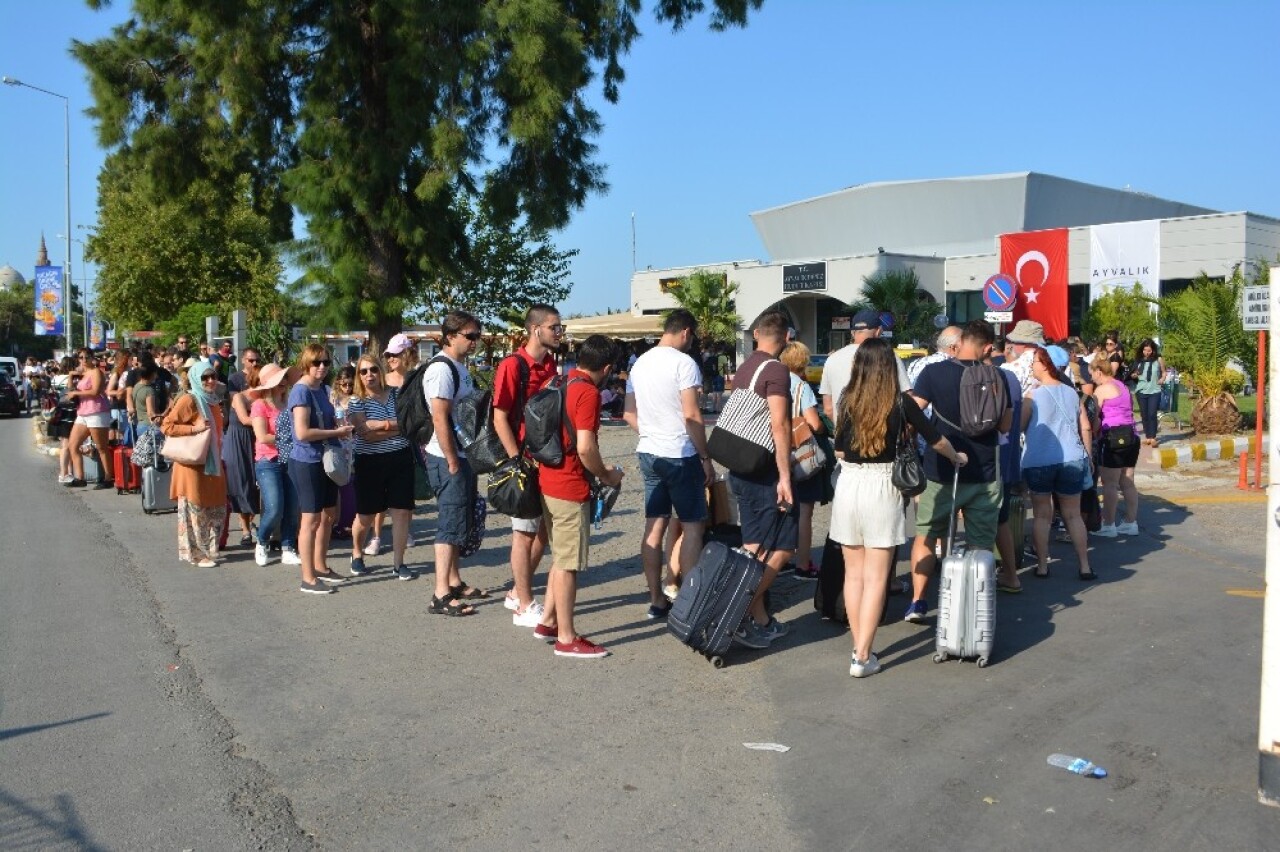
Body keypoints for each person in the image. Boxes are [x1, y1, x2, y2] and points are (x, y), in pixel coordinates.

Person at [833, 338, 964, 676]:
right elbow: (934, 437)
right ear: (890, 367)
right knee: (877, 577)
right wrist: (956, 456)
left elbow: (841, 450)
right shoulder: (901, 404)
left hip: (849, 484)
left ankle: (857, 649)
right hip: (882, 486)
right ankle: (863, 654)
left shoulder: (847, 400)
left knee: (854, 575)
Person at [906, 320, 1013, 622]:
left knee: (926, 535)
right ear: (988, 347)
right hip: (985, 473)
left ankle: (918, 601)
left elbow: (914, 411)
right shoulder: (998, 377)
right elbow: (1005, 426)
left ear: (960, 341)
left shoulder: (933, 373)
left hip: (942, 470)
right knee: (980, 543)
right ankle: (972, 605)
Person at [531, 335, 625, 658]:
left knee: (560, 556)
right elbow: (586, 447)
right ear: (608, 367)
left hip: (548, 479)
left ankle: (547, 620)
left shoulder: (560, 381)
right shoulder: (587, 392)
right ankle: (566, 638)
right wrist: (607, 474)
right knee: (569, 563)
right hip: (570, 485)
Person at [622, 309, 713, 617]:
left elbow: (628, 414)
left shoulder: (639, 364)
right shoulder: (684, 363)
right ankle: (689, 602)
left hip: (649, 451)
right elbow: (692, 414)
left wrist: (650, 432)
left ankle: (656, 599)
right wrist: (705, 457)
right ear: (686, 332)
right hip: (681, 453)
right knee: (692, 526)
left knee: (654, 526)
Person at [725, 311, 797, 649]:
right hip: (762, 472)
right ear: (786, 338)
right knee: (777, 548)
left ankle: (760, 618)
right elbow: (779, 425)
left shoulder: (747, 366)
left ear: (756, 334)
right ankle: (736, 610)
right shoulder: (776, 370)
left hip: (740, 468)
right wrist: (785, 477)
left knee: (755, 544)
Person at [492, 304, 561, 627]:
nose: (560, 333)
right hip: (524, 461)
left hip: (545, 459)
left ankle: (517, 592)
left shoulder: (550, 363)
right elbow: (500, 415)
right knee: (523, 534)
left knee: (543, 532)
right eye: (555, 327)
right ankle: (524, 603)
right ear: (536, 330)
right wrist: (514, 461)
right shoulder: (513, 365)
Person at [421, 311, 490, 613]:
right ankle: (440, 595)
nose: (475, 341)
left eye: (477, 335)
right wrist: (451, 458)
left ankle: (454, 581)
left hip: (462, 456)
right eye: (470, 336)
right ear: (450, 336)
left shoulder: (459, 367)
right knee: (449, 523)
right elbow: (439, 417)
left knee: (460, 519)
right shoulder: (441, 370)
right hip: (447, 456)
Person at [1020, 347, 1095, 580]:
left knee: (1043, 515)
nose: (1031, 366)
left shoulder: (1032, 396)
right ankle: (1084, 565)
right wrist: (1089, 456)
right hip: (1072, 458)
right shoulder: (1072, 393)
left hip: (1039, 460)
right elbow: (1086, 426)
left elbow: (1020, 427)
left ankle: (1042, 566)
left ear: (1044, 363)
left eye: (1033, 362)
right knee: (1073, 515)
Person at [288, 344, 356, 594]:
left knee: (329, 516)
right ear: (306, 363)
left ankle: (320, 566)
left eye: (326, 363)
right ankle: (308, 578)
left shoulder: (323, 389)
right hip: (307, 460)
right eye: (317, 362)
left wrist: (342, 425)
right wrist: (336, 432)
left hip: (327, 458)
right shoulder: (301, 391)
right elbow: (302, 432)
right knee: (311, 519)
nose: (322, 367)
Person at [346, 354, 418, 581]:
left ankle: (399, 563)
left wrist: (382, 425)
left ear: (381, 371)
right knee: (366, 515)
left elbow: (412, 424)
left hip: (401, 458)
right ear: (359, 375)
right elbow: (366, 435)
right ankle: (357, 553)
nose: (369, 375)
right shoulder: (356, 401)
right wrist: (397, 428)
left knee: (401, 512)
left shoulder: (397, 394)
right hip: (370, 462)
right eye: (364, 371)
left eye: (373, 370)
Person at [160, 361, 228, 568]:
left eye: (213, 376)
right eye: (204, 378)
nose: (210, 381)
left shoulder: (213, 401)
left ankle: (208, 548)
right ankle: (196, 553)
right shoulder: (189, 399)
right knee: (195, 511)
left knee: (215, 508)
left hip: (212, 463)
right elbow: (167, 425)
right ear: (195, 379)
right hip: (192, 465)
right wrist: (193, 429)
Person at [365, 333, 417, 555]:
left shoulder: (417, 378)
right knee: (380, 495)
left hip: (411, 442)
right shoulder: (385, 380)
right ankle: (377, 536)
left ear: (406, 353)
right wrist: (392, 426)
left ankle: (404, 530)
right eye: (388, 355)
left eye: (395, 354)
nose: (390, 358)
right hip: (385, 442)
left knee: (405, 493)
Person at [779, 340, 826, 580]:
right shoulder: (801, 387)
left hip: (777, 451)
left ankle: (781, 558)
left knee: (782, 508)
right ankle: (803, 563)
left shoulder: (775, 382)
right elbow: (815, 423)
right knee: (805, 511)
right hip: (800, 455)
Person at [819, 309, 911, 428]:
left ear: (853, 333)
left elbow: (828, 409)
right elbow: (908, 398)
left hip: (844, 440)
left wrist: (842, 429)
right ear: (878, 331)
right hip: (880, 437)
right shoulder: (889, 356)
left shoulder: (832, 359)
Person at [249, 364, 301, 567]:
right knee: (274, 507)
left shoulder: (289, 404)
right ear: (270, 385)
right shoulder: (259, 405)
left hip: (291, 459)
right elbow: (262, 436)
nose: (284, 384)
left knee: (292, 507)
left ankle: (288, 547)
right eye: (280, 381)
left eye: (285, 380)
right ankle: (262, 541)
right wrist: (291, 437)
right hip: (268, 461)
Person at [1091, 357, 1142, 537]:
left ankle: (1108, 524)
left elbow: (1095, 417)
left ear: (1098, 371)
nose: (1092, 378)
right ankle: (1130, 522)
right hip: (1131, 435)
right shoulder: (1122, 386)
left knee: (1109, 483)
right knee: (1127, 481)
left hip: (1112, 437)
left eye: (1092, 373)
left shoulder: (1102, 389)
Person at [222, 356, 261, 547]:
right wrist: (268, 421)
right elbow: (245, 420)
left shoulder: (265, 398)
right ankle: (245, 528)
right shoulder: (239, 396)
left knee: (257, 485)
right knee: (242, 482)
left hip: (257, 440)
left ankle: (254, 522)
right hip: (238, 440)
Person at [65, 348, 116, 489]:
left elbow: (96, 391)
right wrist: (71, 377)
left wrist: (76, 392)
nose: (83, 360)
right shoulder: (82, 374)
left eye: (86, 357)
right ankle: (80, 477)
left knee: (101, 447)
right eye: (80, 357)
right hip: (83, 412)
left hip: (96, 411)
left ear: (92, 358)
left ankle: (107, 478)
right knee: (73, 445)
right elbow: (70, 391)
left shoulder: (96, 372)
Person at [329, 365, 358, 541]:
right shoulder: (333, 398)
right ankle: (339, 522)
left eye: (350, 384)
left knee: (350, 485)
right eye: (344, 384)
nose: (347, 388)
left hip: (353, 444)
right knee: (339, 485)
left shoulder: (357, 399)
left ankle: (348, 523)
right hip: (337, 443)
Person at [1129, 338, 1165, 447]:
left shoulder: (1158, 359)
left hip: (1155, 390)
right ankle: (1148, 436)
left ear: (1153, 350)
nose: (1147, 353)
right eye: (1145, 350)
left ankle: (1153, 437)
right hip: (1141, 390)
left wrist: (1162, 379)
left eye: (1149, 350)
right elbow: (1132, 374)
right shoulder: (1138, 361)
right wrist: (1134, 375)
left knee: (1152, 414)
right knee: (1144, 415)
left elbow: (1164, 372)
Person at [1002, 319, 1045, 397]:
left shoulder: (1009, 368)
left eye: (1013, 342)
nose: (1012, 345)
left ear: (1022, 344)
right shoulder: (1048, 364)